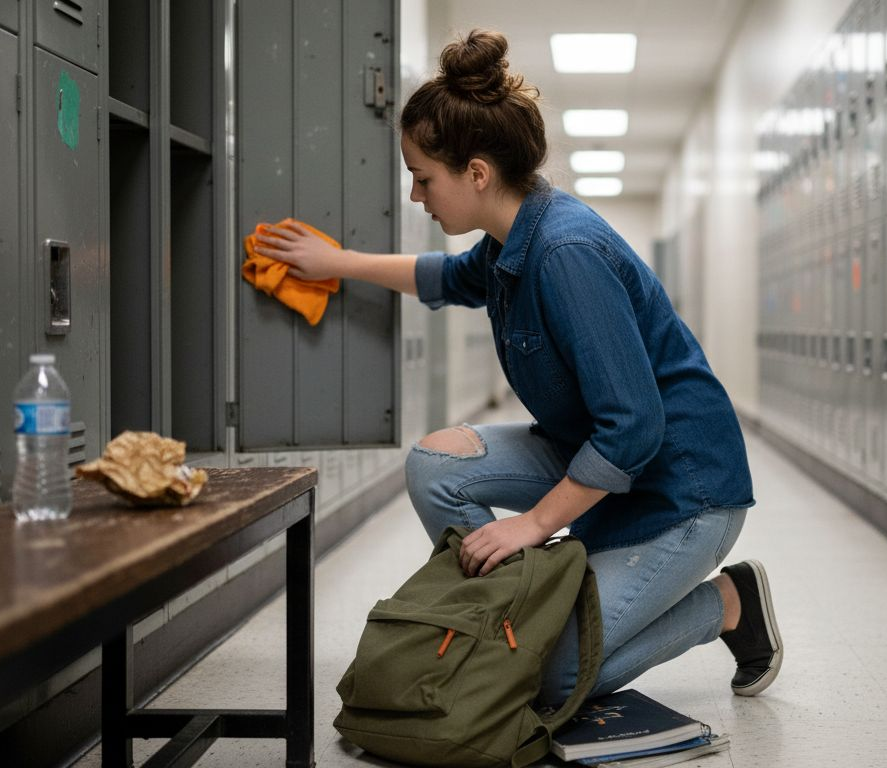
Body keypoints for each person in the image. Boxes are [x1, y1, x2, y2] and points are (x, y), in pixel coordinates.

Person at [252, 28, 780, 703]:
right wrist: (337, 264)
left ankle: (730, 603)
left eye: (423, 178)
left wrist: (532, 525)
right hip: (593, 459)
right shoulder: (513, 240)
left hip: (682, 493)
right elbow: (444, 278)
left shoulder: (564, 253)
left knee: (554, 678)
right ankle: (511, 622)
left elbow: (635, 427)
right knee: (434, 467)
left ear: (476, 173)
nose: (417, 196)